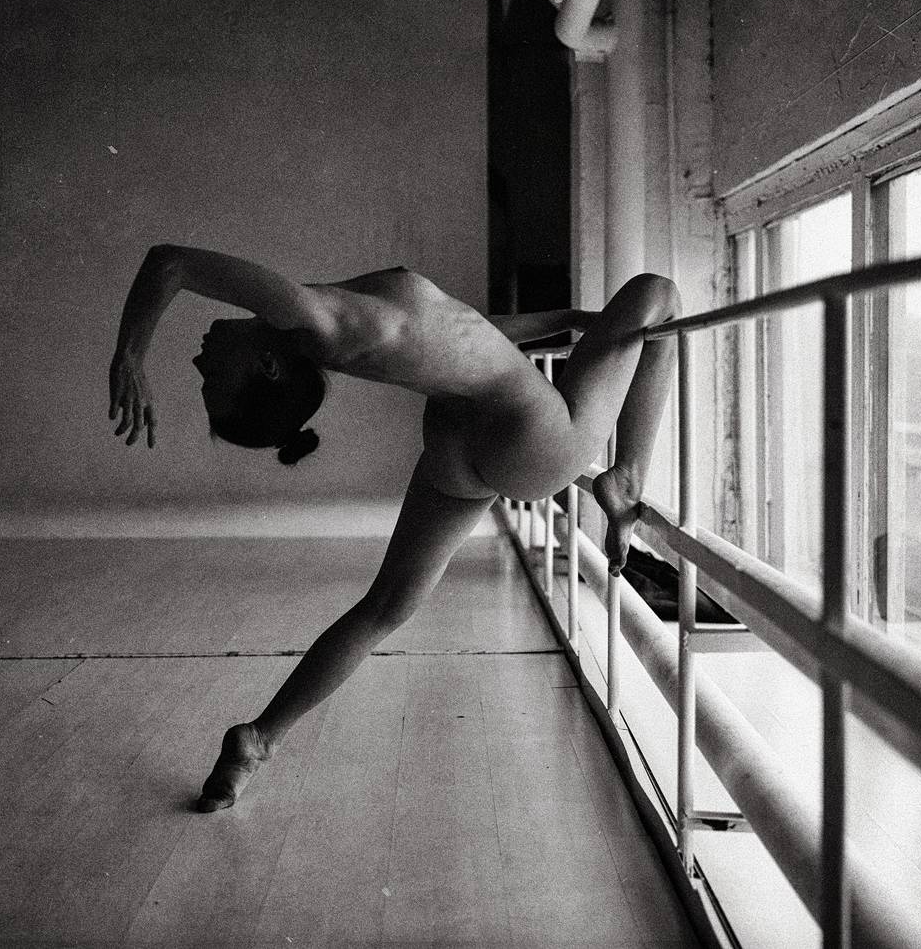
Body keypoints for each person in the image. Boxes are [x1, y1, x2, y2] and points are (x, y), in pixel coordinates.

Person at [107, 246, 678, 811]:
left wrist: (570, 319)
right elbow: (169, 263)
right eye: (212, 380)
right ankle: (626, 475)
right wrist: (129, 356)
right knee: (659, 293)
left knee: (385, 607)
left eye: (204, 379)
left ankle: (258, 740)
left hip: (454, 443)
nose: (198, 365)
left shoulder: (327, 327)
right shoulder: (318, 318)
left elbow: (467, 331)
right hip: (524, 433)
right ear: (268, 367)